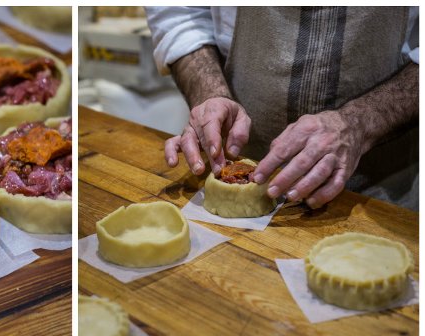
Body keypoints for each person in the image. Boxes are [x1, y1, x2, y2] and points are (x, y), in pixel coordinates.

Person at [145, 7, 419, 210]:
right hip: (237, 182)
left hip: (381, 196)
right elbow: (179, 14)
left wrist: (360, 124)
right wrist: (209, 93)